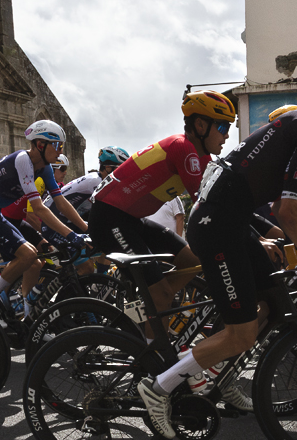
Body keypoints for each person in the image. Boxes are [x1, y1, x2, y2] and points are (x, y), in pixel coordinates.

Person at [137, 58, 297, 438]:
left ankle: (219, 377)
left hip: (231, 224)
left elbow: (290, 204)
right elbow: (288, 211)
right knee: (241, 333)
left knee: (273, 303)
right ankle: (158, 387)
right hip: (217, 229)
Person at [88, 91, 235, 323]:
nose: (227, 136)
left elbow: (224, 200)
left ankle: (147, 310)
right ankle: (150, 346)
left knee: (194, 262)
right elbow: (205, 205)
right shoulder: (183, 148)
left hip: (130, 220)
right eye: (223, 128)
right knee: (162, 295)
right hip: (109, 219)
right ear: (200, 124)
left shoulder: (201, 156)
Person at [0, 120, 84, 321]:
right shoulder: (22, 160)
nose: (60, 151)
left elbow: (61, 202)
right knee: (27, 255)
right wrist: (70, 235)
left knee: (35, 263)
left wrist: (85, 229)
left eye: (62, 146)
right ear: (40, 145)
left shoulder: (44, 168)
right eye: (57, 145)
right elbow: (38, 209)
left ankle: (29, 316)